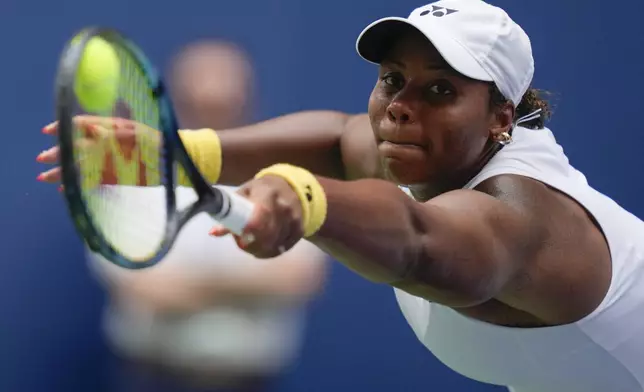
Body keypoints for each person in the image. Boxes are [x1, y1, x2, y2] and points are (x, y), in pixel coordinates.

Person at [37, 1, 644, 391]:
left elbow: (418, 241)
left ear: (499, 117)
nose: (401, 107)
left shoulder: (524, 214)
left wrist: (301, 197)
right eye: (392, 81)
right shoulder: (417, 145)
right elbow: (337, 137)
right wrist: (180, 154)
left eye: (440, 91)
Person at [86, 41, 328, 392]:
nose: (214, 97)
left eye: (225, 86)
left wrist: (193, 286)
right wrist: (250, 284)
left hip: (251, 377)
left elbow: (297, 279)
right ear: (175, 94)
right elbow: (148, 290)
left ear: (247, 93)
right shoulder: (130, 177)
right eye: (201, 86)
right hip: (151, 375)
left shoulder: (287, 178)